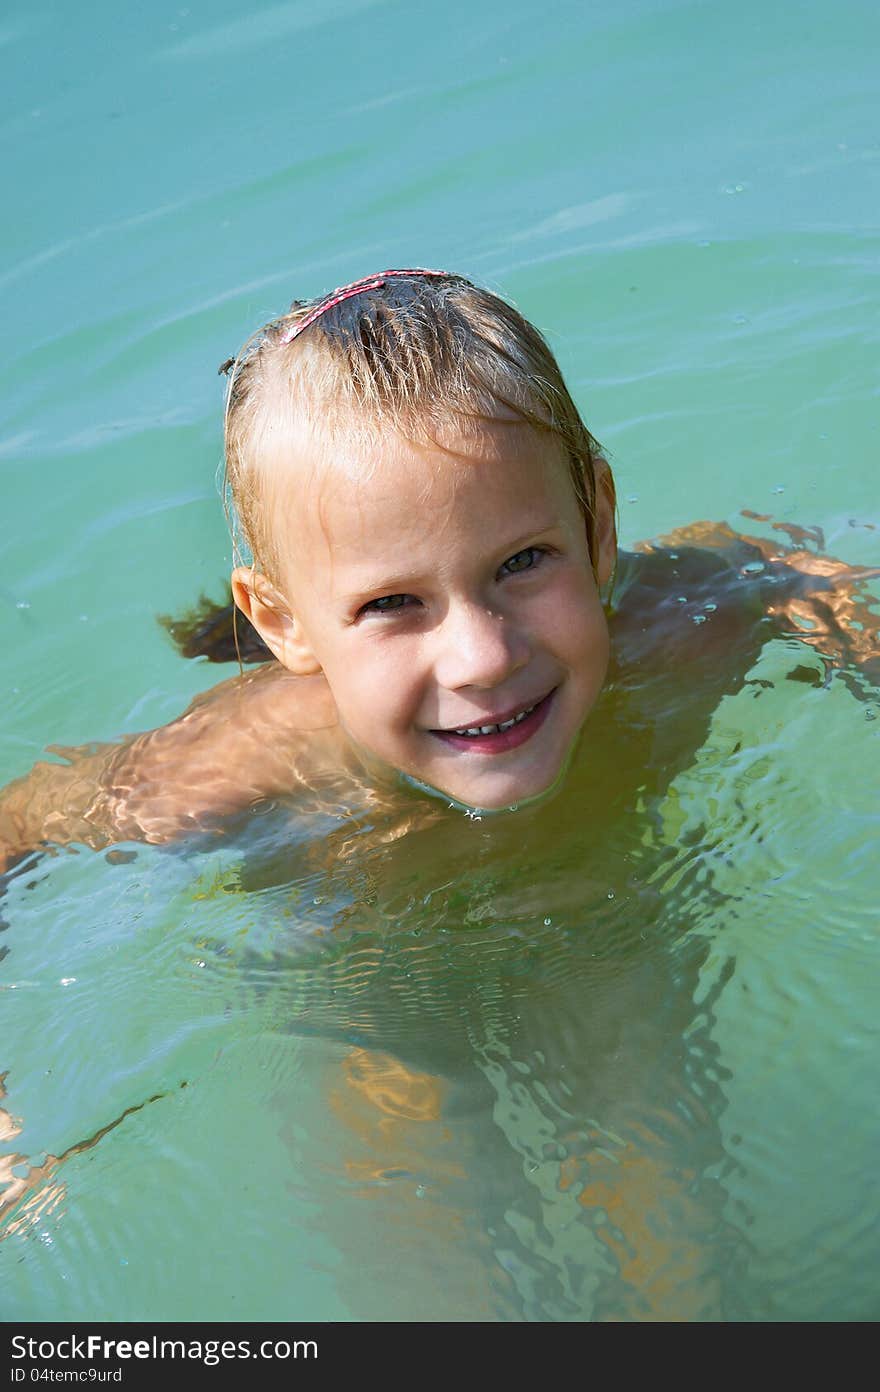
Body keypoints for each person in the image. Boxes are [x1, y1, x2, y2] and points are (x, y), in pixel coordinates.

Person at [1, 267, 877, 877]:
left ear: (599, 526)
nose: (483, 658)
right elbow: (14, 830)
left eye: (523, 561)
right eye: (392, 603)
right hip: (372, 960)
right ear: (283, 624)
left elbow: (784, 570)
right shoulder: (252, 757)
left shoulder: (681, 618)